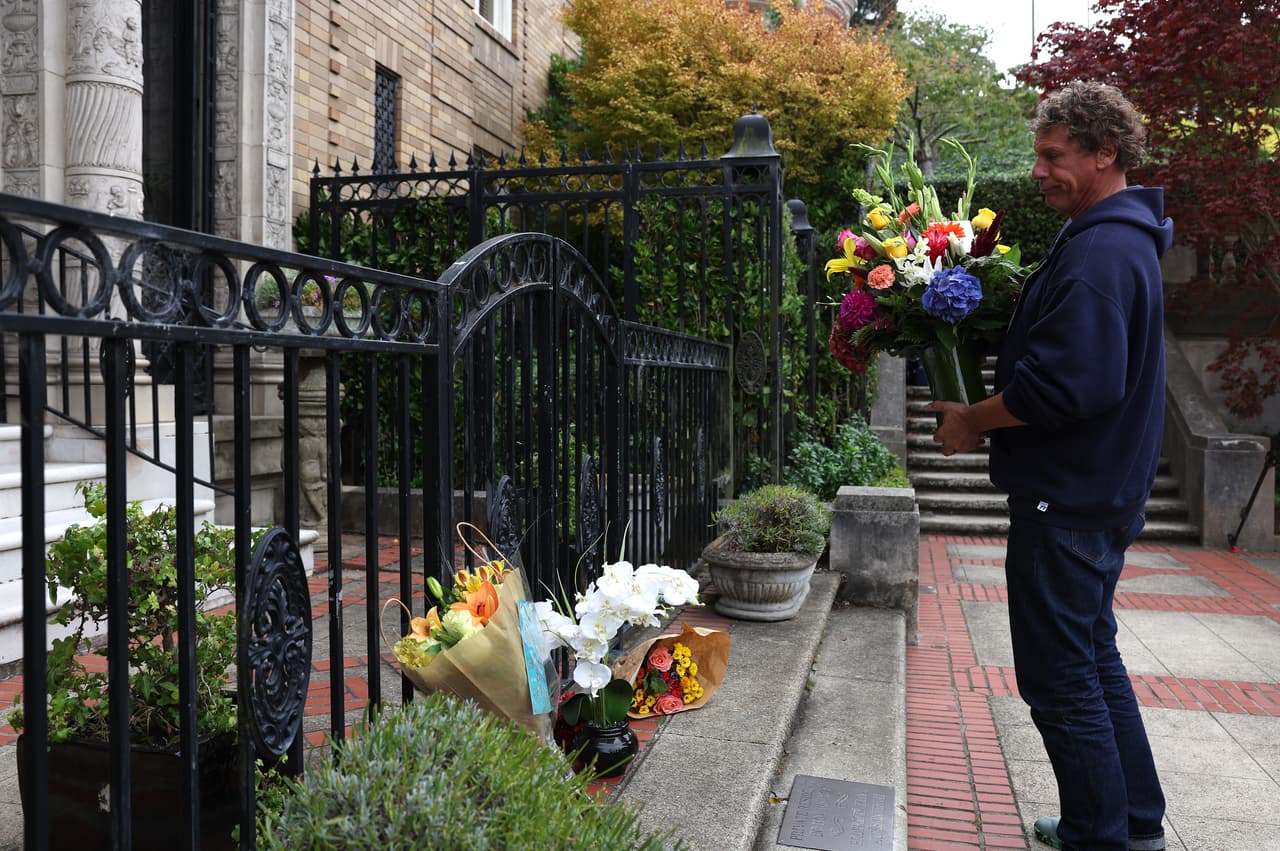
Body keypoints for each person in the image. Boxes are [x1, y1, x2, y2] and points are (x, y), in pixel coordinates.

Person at [929, 81, 1172, 851]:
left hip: (1065, 501)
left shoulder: (1104, 248)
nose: (1038, 170)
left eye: (1053, 155)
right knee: (1093, 660)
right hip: (1094, 495)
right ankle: (1132, 822)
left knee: (1062, 681)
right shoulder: (1113, 236)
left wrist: (973, 416)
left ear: (1107, 153)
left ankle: (1098, 835)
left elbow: (1067, 385)